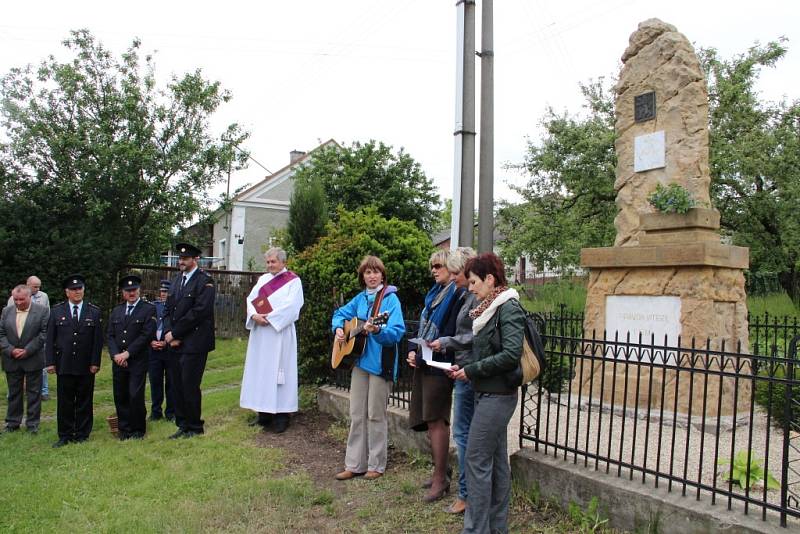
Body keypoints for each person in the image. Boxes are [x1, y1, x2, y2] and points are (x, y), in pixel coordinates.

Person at [447, 253, 524, 534]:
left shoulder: (508, 307)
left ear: (490, 280)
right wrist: (463, 366)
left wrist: (473, 370)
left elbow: (511, 354)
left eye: (474, 282)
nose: (470, 288)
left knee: (476, 459)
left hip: (499, 395)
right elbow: (488, 353)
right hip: (487, 393)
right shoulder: (488, 308)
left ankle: (476, 530)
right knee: (496, 464)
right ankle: (495, 528)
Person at [332, 255, 405, 481]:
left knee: (375, 415)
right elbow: (339, 314)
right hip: (360, 362)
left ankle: (376, 464)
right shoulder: (360, 298)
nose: (372, 276)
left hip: (379, 364)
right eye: (367, 272)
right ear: (362, 276)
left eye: (375, 272)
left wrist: (377, 331)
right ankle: (354, 464)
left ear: (382, 275)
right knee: (356, 414)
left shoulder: (391, 300)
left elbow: (397, 331)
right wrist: (339, 329)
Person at [428, 247, 478, 514]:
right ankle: (467, 491)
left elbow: (476, 336)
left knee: (463, 433)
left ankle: (467, 493)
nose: (455, 278)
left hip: (470, 372)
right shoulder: (466, 295)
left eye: (458, 273)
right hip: (463, 367)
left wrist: (447, 342)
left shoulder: (474, 296)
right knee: (464, 433)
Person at [407, 249, 459, 503]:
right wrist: (411, 350)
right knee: (428, 419)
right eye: (432, 266)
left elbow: (452, 331)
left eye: (439, 265)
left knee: (437, 419)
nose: (434, 270)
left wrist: (430, 347)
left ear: (450, 267)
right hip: (424, 360)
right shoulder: (434, 294)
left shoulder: (456, 294)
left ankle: (441, 479)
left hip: (441, 364)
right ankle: (440, 470)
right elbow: (421, 325)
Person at [240, 248, 304, 433]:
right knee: (262, 371)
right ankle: (263, 413)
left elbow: (293, 306)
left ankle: (282, 415)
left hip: (280, 333)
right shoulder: (263, 280)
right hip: (261, 334)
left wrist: (270, 318)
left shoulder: (293, 281)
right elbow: (251, 300)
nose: (269, 265)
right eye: (267, 262)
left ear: (283, 262)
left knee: (280, 373)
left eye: (273, 262)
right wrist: (254, 316)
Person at [163, 242, 216, 439]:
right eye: (180, 258)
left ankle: (195, 426)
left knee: (189, 384)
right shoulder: (177, 280)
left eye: (185, 259)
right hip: (175, 341)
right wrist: (169, 332)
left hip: (194, 342)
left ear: (196, 260)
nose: (181, 262)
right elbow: (167, 309)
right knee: (176, 384)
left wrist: (175, 333)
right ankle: (182, 424)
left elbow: (199, 312)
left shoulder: (205, 281)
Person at [45, 274, 104, 448]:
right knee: (65, 401)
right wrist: (50, 362)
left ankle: (82, 433)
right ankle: (65, 434)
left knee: (85, 400)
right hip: (64, 363)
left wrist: (95, 362)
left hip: (86, 364)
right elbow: (50, 339)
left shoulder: (94, 311)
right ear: (67, 292)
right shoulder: (57, 311)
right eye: (74, 289)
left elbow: (97, 341)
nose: (77, 292)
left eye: (80, 289)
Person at [107, 275, 156, 440]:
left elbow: (146, 335)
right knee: (120, 395)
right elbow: (110, 336)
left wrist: (127, 353)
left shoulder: (148, 309)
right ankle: (124, 429)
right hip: (119, 361)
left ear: (139, 290)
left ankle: (138, 429)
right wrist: (116, 355)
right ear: (123, 293)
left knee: (135, 395)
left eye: (134, 290)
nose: (131, 293)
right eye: (128, 291)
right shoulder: (117, 311)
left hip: (137, 360)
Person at [0, 285, 49, 434]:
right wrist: (10, 350)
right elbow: (1, 333)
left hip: (33, 358)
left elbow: (44, 334)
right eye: (15, 299)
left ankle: (32, 424)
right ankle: (12, 423)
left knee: (34, 392)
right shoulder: (6, 311)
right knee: (14, 392)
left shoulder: (42, 311)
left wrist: (28, 350)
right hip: (11, 358)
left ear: (29, 297)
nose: (19, 302)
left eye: (22, 299)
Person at [8, 276, 51, 400]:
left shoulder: (43, 297)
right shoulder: (14, 297)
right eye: (35, 286)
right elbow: (9, 317)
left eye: (39, 286)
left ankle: (43, 391)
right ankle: (14, 392)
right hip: (19, 336)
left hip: (38, 337)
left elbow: (47, 315)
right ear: (27, 285)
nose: (37, 289)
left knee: (41, 364)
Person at [148, 279, 175, 421]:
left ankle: (170, 412)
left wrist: (166, 341)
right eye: (162, 291)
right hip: (153, 350)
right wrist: (151, 341)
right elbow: (146, 327)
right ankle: (155, 411)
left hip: (169, 349)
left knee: (171, 382)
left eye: (167, 292)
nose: (164, 294)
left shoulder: (174, 307)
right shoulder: (153, 307)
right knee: (155, 381)